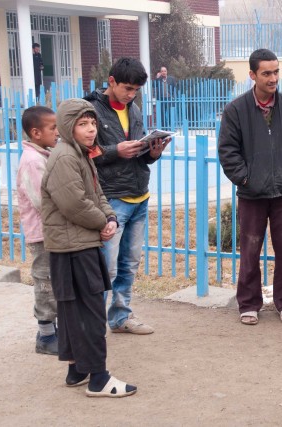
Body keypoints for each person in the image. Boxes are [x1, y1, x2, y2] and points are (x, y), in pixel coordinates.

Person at [41, 98, 137, 397]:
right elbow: (74, 204)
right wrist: (102, 223)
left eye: (93, 123)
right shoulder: (66, 158)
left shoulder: (80, 154)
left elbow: (97, 194)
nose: (91, 129)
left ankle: (77, 369)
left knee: (74, 311)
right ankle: (99, 378)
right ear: (69, 127)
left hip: (77, 243)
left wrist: (108, 216)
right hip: (73, 248)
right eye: (83, 124)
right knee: (89, 311)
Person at [218, 48, 282, 326]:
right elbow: (228, 150)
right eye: (266, 73)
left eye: (276, 71)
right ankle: (248, 303)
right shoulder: (236, 110)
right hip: (251, 194)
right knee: (249, 249)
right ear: (252, 75)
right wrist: (246, 179)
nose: (273, 78)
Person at [84, 57, 168, 335]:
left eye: (136, 90)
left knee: (128, 265)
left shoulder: (135, 110)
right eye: (127, 88)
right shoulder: (90, 110)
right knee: (105, 267)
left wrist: (152, 152)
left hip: (138, 195)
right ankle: (92, 324)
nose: (131, 95)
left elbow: (140, 154)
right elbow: (83, 152)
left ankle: (120, 317)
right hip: (111, 199)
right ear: (111, 81)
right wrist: (114, 151)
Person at [17, 106, 59, 355]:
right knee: (45, 283)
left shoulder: (43, 155)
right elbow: (42, 202)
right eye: (52, 128)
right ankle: (45, 336)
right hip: (43, 234)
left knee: (56, 281)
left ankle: (57, 330)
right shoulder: (32, 162)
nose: (57, 132)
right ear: (36, 132)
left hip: (52, 232)